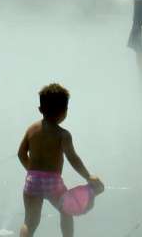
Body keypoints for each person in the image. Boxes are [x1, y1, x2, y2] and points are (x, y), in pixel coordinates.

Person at [18, 83, 103, 237]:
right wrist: (88, 176)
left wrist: (32, 171)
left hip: (32, 181)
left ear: (40, 109)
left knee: (30, 221)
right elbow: (73, 159)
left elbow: (21, 153)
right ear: (64, 112)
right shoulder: (63, 135)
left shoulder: (32, 129)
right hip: (53, 183)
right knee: (66, 211)